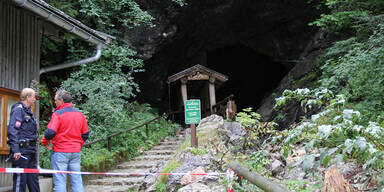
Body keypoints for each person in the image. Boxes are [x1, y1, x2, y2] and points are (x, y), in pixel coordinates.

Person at [41, 89, 89, 192]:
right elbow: (85, 134)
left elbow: (50, 132)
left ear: (61, 100)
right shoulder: (80, 114)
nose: (55, 102)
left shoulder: (57, 114)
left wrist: (44, 142)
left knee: (60, 181)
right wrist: (78, 144)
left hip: (60, 152)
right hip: (75, 152)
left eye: (55, 100)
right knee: (77, 181)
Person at [7, 88, 40, 192]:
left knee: (33, 181)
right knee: (20, 181)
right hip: (21, 152)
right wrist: (16, 150)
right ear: (27, 97)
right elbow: (13, 130)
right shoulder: (18, 109)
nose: (35, 99)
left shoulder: (29, 112)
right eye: (33, 97)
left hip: (31, 150)